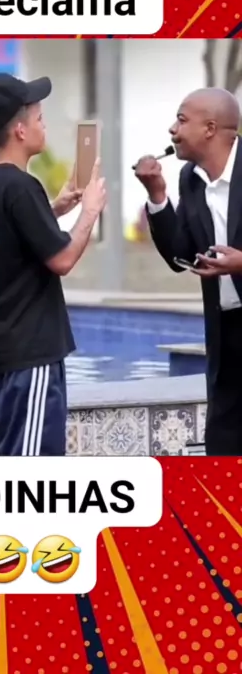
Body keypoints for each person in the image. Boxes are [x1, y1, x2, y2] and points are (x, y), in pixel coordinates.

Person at [0, 72, 107, 456]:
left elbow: (9, 241)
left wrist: (55, 208)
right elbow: (62, 259)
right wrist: (90, 211)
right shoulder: (21, 187)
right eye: (39, 118)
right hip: (29, 358)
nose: (44, 125)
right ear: (20, 131)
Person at [134, 87, 242, 455]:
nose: (172, 129)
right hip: (226, 333)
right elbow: (180, 256)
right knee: (223, 445)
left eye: (181, 120)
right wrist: (157, 196)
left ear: (210, 128)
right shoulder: (190, 178)